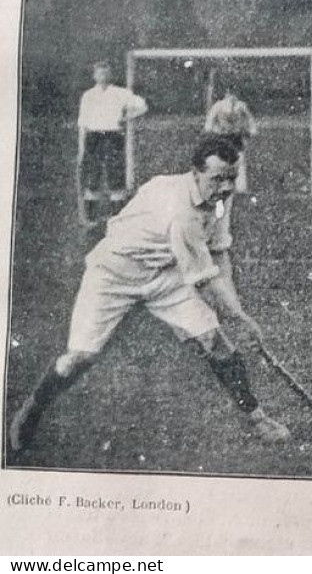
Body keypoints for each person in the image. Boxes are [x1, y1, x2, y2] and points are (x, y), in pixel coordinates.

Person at [8, 136, 289, 454]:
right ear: (195, 173)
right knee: (81, 357)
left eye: (231, 178)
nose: (225, 186)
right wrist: (239, 318)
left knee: (215, 339)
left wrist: (237, 314)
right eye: (217, 179)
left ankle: (257, 419)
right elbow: (203, 281)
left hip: (166, 274)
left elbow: (219, 253)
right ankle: (31, 409)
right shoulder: (180, 211)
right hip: (113, 274)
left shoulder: (220, 199)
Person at [77, 60, 149, 216]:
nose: (102, 75)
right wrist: (81, 147)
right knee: (92, 175)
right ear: (94, 75)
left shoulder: (120, 92)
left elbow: (143, 106)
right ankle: (91, 217)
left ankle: (117, 215)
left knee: (115, 174)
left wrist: (127, 116)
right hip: (93, 135)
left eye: (105, 72)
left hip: (113, 134)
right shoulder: (88, 95)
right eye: (99, 72)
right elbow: (83, 121)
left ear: (110, 74)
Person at [203, 86, 258, 192]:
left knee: (239, 160)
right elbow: (209, 121)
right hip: (222, 137)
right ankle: (221, 185)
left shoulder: (241, 106)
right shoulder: (218, 106)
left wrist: (251, 129)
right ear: (225, 95)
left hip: (234, 136)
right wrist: (212, 129)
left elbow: (249, 119)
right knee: (222, 160)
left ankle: (240, 186)